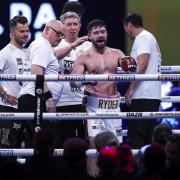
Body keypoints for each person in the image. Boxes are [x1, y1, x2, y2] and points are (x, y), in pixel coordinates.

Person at [71, 19, 136, 145]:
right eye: (96, 32)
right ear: (89, 36)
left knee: (115, 145)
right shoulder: (84, 57)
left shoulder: (117, 53)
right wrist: (85, 79)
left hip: (114, 106)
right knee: (94, 146)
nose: (100, 35)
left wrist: (131, 67)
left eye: (103, 31)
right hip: (94, 107)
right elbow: (73, 82)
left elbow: (131, 71)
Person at [18, 20, 66, 147]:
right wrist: (48, 97)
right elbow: (37, 71)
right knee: (41, 145)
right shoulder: (43, 46)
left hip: (34, 99)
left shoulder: (42, 45)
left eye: (63, 36)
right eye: (59, 34)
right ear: (47, 30)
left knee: (35, 143)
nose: (61, 38)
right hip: (36, 100)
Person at [123, 12, 162, 149]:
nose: (126, 33)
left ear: (128, 25)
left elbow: (142, 65)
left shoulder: (142, 38)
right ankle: (147, 169)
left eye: (125, 28)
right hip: (151, 95)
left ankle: (139, 170)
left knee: (136, 136)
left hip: (143, 95)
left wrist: (130, 89)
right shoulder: (149, 37)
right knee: (145, 137)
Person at [54, 12, 91, 147]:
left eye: (75, 24)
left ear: (80, 26)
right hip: (62, 101)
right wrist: (73, 45)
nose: (72, 27)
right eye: (68, 24)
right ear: (62, 27)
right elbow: (52, 57)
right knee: (62, 143)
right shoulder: (57, 44)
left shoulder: (88, 46)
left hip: (83, 101)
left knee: (84, 143)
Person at [0, 15, 29, 148]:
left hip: (23, 107)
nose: (25, 34)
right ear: (12, 32)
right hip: (7, 107)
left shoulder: (27, 52)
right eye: (21, 31)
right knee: (6, 150)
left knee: (19, 149)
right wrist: (4, 95)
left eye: (27, 31)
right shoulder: (5, 53)